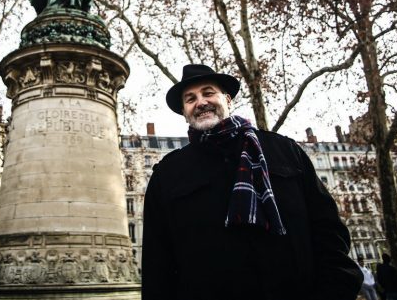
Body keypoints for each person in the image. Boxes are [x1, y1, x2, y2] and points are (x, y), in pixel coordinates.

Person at [141, 64, 363, 300]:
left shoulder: (283, 150)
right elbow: (158, 263)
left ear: (228, 99)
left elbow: (327, 230)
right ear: (185, 111)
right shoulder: (168, 174)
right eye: (190, 98)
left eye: (208, 93)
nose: (201, 102)